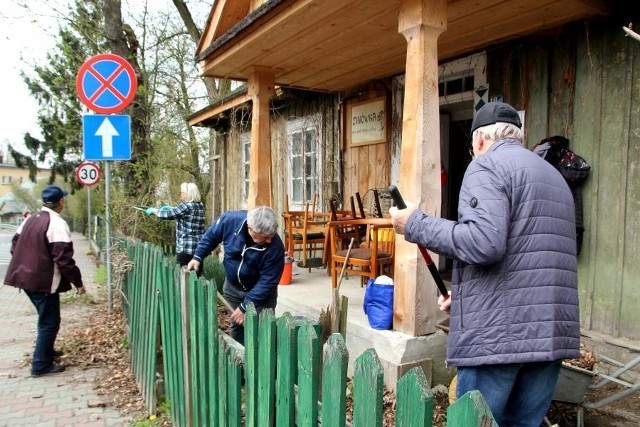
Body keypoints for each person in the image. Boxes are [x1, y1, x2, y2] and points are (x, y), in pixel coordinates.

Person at [389, 102, 580, 426]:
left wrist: (414, 224)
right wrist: (466, 301)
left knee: (475, 421)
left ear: (478, 140)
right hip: (550, 334)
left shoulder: (487, 167)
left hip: (499, 341)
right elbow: (528, 257)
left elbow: (484, 243)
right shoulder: (554, 176)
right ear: (517, 136)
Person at [4, 185, 86, 377]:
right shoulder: (56, 224)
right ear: (61, 202)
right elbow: (64, 259)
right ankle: (40, 365)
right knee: (49, 322)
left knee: (47, 319)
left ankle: (46, 353)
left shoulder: (30, 219)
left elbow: (15, 245)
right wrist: (79, 283)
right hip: (43, 282)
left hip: (24, 278)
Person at [186, 206, 284, 345]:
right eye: (265, 237)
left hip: (261, 295)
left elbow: (267, 282)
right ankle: (241, 363)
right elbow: (211, 237)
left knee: (263, 331)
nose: (269, 240)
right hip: (233, 288)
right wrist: (197, 256)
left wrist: (244, 307)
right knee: (237, 327)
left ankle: (264, 365)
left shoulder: (275, 247)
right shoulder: (229, 221)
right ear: (250, 229)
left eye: (271, 236)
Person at [146, 182, 206, 271]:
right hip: (198, 250)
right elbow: (180, 213)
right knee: (196, 277)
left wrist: (154, 211)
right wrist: (172, 208)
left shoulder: (185, 206)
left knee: (184, 277)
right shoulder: (200, 206)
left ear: (188, 194)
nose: (180, 194)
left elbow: (168, 215)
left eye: (182, 192)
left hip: (185, 249)